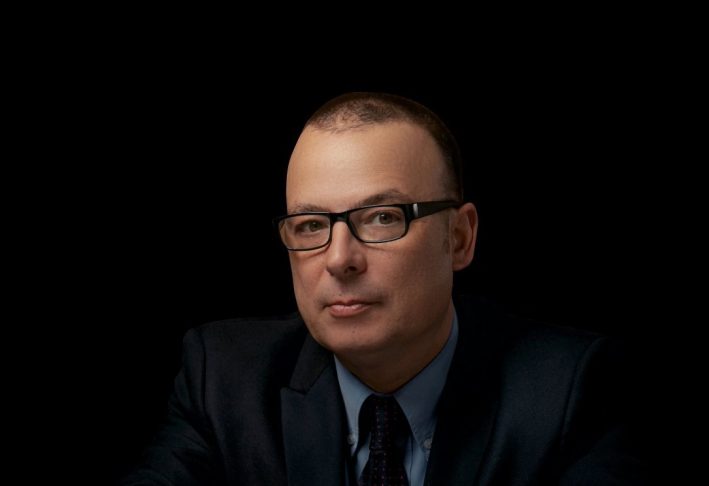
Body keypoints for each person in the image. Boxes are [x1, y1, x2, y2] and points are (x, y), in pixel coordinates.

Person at [121, 92, 649, 485]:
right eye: (311, 225)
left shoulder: (571, 393)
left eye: (381, 217)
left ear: (459, 238)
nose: (339, 259)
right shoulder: (223, 381)